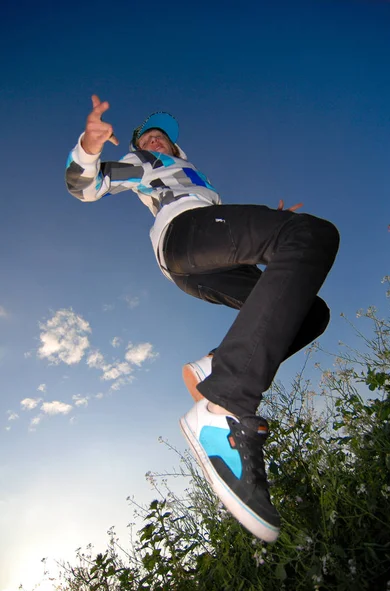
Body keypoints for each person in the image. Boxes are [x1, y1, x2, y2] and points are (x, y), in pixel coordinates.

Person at [65, 95, 340, 543]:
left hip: (208, 256)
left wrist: (268, 234)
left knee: (311, 312)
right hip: (184, 236)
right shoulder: (141, 164)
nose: (157, 140)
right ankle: (223, 407)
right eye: (148, 136)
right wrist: (88, 148)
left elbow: (230, 227)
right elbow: (85, 186)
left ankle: (213, 368)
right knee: (311, 234)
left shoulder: (197, 177)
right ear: (139, 146)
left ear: (178, 147)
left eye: (163, 137)